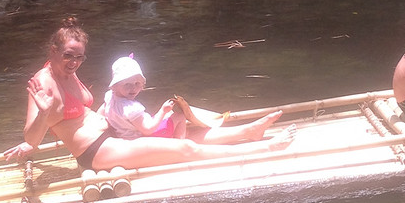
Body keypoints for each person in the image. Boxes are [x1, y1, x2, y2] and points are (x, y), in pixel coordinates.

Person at [4, 18, 288, 171]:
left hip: (115, 133)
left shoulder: (68, 70)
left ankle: (246, 133)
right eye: (68, 56)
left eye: (80, 57)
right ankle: (261, 148)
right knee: (184, 149)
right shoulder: (42, 84)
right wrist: (41, 117)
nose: (74, 63)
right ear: (52, 51)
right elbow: (33, 135)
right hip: (98, 150)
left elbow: (81, 110)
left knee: (179, 133)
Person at [100, 54, 274, 145]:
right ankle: (179, 145)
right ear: (115, 85)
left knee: (185, 128)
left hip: (126, 136)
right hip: (140, 139)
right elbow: (148, 129)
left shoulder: (110, 97)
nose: (134, 89)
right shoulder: (131, 108)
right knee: (179, 118)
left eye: (137, 84)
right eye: (127, 85)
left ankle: (249, 131)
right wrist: (163, 111)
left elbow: (102, 113)